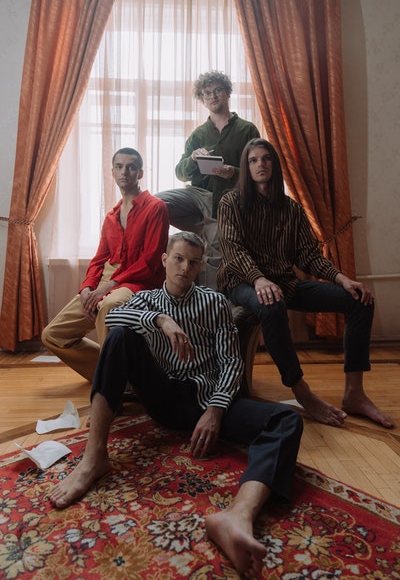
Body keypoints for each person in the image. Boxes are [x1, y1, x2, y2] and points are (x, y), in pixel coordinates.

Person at [49, 231, 303, 578]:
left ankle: (238, 515)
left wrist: (215, 410)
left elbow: (231, 362)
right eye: (179, 259)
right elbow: (111, 321)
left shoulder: (214, 303)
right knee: (120, 336)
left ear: (200, 267)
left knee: (287, 420)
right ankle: (94, 458)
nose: (185, 267)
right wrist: (160, 320)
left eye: (193, 262)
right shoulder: (146, 299)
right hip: (164, 398)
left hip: (207, 401)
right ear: (165, 260)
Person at [217, 138, 394, 429]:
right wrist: (258, 279)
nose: (260, 164)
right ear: (246, 168)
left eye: (266, 158)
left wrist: (343, 279)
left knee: (359, 300)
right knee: (271, 304)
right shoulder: (230, 202)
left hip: (284, 282)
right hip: (242, 281)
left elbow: (309, 256)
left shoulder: (292, 209)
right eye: (253, 160)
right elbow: (233, 250)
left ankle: (354, 393)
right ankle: (303, 393)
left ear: (274, 165)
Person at [42, 147, 169, 382]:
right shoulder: (111, 216)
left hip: (137, 282)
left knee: (109, 306)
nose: (124, 172)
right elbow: (100, 258)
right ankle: (117, 377)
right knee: (52, 335)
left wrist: (109, 286)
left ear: (140, 173)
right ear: (112, 172)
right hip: (107, 280)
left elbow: (151, 261)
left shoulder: (156, 207)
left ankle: (111, 385)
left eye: (131, 167)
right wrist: (87, 289)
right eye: (119, 167)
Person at [156, 71, 260, 287]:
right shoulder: (198, 134)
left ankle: (212, 301)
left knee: (215, 248)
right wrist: (193, 159)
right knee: (155, 204)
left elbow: (258, 170)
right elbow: (181, 173)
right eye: (207, 93)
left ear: (227, 92)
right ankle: (203, 230)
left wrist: (234, 173)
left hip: (228, 198)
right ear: (202, 99)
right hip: (197, 195)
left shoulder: (247, 130)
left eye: (217, 90)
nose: (212, 96)